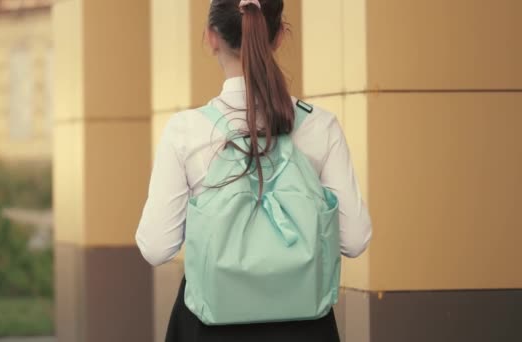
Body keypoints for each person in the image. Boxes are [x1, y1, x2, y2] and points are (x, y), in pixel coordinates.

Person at [136, 0, 372, 340]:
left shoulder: (185, 131)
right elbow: (355, 239)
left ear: (211, 37)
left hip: (211, 325)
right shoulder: (320, 126)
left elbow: (157, 247)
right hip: (304, 326)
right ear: (278, 37)